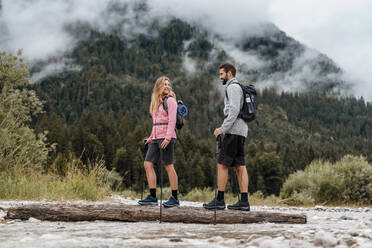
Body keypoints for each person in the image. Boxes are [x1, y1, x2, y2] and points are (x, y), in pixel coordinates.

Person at [203, 62, 250, 211]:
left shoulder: (232, 87)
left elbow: (234, 110)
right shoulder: (238, 87)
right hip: (241, 131)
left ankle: (220, 200)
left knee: (222, 164)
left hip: (233, 131)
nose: (220, 77)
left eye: (221, 74)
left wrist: (222, 129)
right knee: (240, 166)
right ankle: (244, 201)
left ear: (229, 73)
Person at [138, 76, 180, 207]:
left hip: (167, 137)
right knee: (147, 164)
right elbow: (155, 123)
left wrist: (168, 137)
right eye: (164, 84)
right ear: (158, 87)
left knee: (168, 166)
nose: (167, 86)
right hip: (156, 138)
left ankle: (174, 198)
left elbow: (172, 120)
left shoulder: (171, 101)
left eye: (168, 84)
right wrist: (151, 137)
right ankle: (152, 196)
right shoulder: (157, 102)